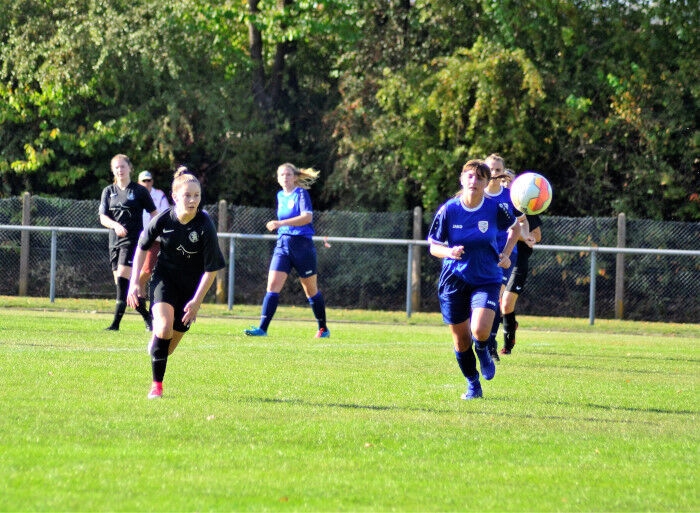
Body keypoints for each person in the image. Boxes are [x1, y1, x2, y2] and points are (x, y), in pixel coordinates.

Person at [126, 168, 225, 399]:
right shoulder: (163, 219)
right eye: (187, 195)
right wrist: (134, 283)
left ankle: (157, 343)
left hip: (191, 289)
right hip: (165, 279)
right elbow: (142, 247)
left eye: (196, 195)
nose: (192, 200)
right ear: (175, 196)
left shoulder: (205, 224)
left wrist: (197, 302)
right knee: (163, 328)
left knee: (167, 348)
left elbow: (211, 270)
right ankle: (156, 387)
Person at [428, 159, 520, 400]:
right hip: (454, 279)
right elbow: (434, 246)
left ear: (486, 182)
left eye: (480, 177)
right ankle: (473, 384)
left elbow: (516, 228)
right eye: (469, 176)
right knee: (461, 341)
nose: (474, 181)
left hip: (486, 278)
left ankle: (483, 349)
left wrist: (506, 254)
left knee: (479, 330)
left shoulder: (494, 208)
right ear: (462, 179)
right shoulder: (449, 210)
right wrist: (449, 252)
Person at [244, 163, 330, 338]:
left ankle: (323, 329)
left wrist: (280, 223)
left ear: (295, 177)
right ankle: (262, 329)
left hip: (302, 246)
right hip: (282, 245)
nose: (285, 177)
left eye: (288, 174)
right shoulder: (280, 195)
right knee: (272, 286)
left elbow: (307, 217)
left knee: (311, 290)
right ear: (277, 178)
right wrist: (279, 226)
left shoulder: (301, 194)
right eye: (281, 175)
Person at [99, 154, 157, 331]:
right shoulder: (108, 191)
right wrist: (115, 225)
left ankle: (115, 324)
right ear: (113, 170)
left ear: (130, 168)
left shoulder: (139, 191)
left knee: (122, 282)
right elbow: (103, 217)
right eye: (116, 167)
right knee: (122, 286)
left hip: (132, 242)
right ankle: (148, 317)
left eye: (122, 166)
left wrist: (149, 234)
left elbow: (155, 214)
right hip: (114, 242)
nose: (120, 170)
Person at [483, 155, 531, 360]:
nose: (494, 173)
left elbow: (522, 221)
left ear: (503, 172)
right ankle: (480, 338)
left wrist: (525, 235)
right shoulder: (477, 195)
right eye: (490, 169)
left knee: (495, 297)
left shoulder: (510, 197)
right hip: (481, 254)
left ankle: (491, 345)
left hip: (505, 255)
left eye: (497, 170)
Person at [500, 205, 543, 355]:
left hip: (518, 261)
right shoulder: (497, 205)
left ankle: (507, 346)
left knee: (506, 304)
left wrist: (515, 232)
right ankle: (509, 323)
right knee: (494, 304)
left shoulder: (524, 206)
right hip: (500, 259)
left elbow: (537, 235)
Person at [137, 170, 171, 327]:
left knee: (148, 270)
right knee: (138, 271)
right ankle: (138, 292)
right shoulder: (134, 194)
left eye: (149, 180)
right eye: (144, 181)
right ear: (139, 182)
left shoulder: (159, 195)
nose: (147, 183)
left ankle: (136, 286)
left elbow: (164, 214)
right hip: (136, 238)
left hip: (154, 239)